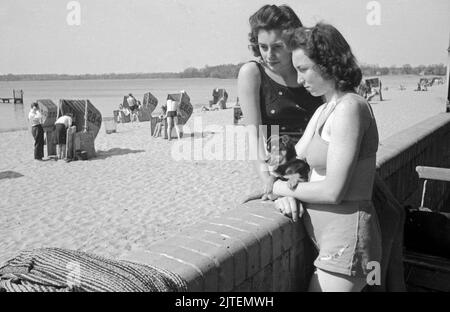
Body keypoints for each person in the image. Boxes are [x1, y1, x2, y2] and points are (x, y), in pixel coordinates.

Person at [263, 23, 382, 292]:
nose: (300, 79)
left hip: (346, 244)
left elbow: (333, 191)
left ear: (328, 64)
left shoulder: (350, 108)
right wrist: (288, 191)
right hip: (331, 243)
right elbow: (294, 166)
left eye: (304, 69)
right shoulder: (325, 109)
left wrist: (278, 188)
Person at [237, 4, 323, 201]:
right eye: (263, 47)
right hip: (282, 168)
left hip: (320, 166)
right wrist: (268, 179)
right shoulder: (251, 74)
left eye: (277, 47)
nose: (269, 55)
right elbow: (255, 135)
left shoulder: (308, 69)